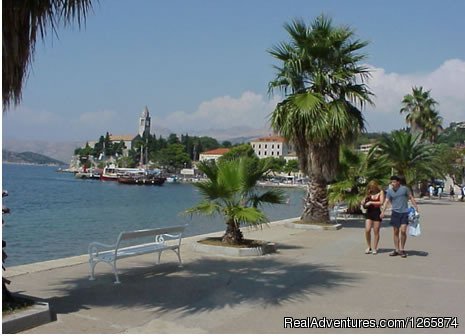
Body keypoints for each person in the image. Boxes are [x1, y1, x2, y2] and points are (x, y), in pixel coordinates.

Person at [380, 175, 419, 258]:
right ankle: (396, 249)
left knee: (403, 231)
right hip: (395, 213)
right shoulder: (390, 191)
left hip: (404, 212)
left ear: (398, 182)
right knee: (395, 232)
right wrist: (383, 212)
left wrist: (416, 207)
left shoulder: (405, 189)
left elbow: (411, 197)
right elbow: (386, 201)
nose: (392, 183)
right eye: (391, 182)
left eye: (394, 182)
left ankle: (402, 249)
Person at [361, 180, 385, 255]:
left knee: (376, 230)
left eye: (373, 187)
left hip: (377, 212)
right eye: (370, 187)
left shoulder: (381, 192)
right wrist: (363, 201)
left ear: (375, 186)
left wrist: (371, 202)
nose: (371, 188)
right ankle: (369, 246)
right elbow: (364, 200)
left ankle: (375, 248)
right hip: (369, 212)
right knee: (367, 230)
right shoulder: (368, 192)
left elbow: (381, 202)